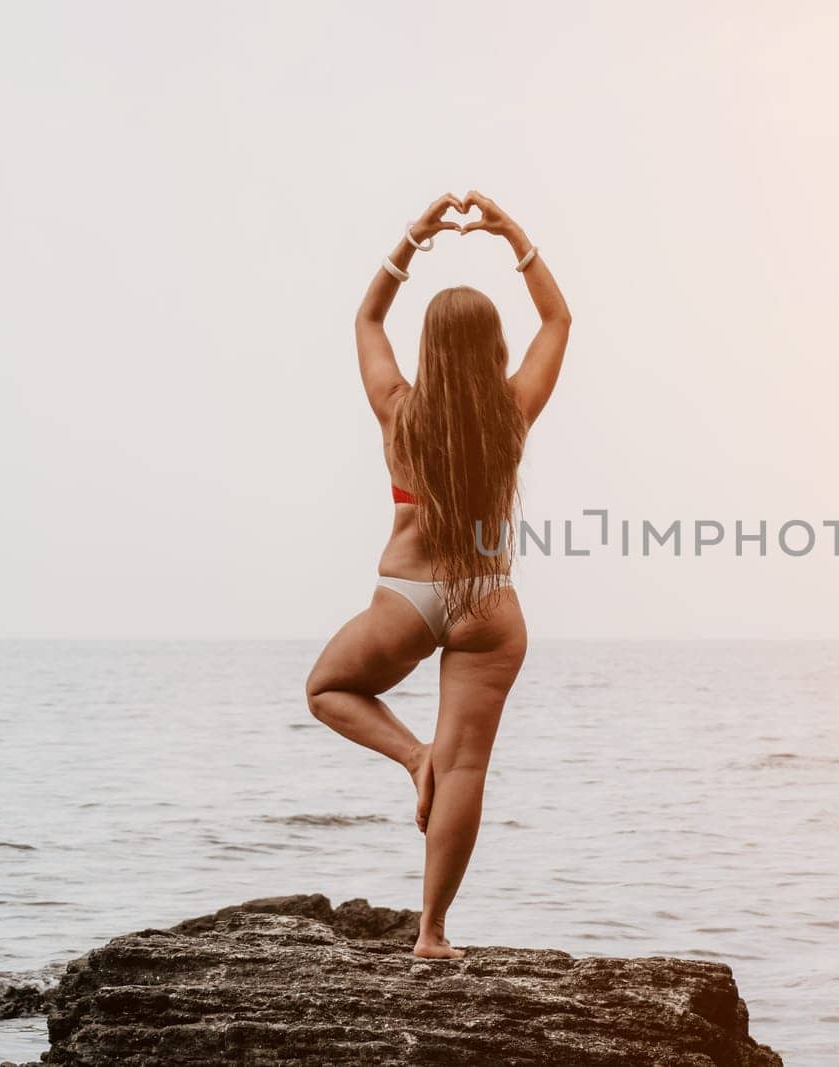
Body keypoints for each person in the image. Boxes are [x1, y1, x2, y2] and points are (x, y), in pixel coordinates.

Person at [305, 191, 571, 960]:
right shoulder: (513, 411)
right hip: (487, 602)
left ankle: (412, 755)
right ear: (493, 350)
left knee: (326, 687)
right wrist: (513, 235)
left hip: (409, 596)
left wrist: (412, 241)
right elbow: (558, 322)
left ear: (431, 345)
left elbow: (367, 320)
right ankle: (431, 932)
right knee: (467, 767)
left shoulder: (398, 409)